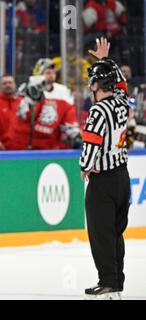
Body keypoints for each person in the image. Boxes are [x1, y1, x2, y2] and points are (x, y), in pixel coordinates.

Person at [80, 38, 131, 300]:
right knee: (115, 233)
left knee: (101, 235)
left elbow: (92, 143)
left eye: (93, 79)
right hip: (122, 177)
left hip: (103, 181)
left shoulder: (98, 110)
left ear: (97, 84)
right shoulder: (122, 104)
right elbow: (121, 85)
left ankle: (108, 283)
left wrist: (85, 166)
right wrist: (105, 61)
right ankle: (116, 282)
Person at [6, 75, 82, 150]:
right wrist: (30, 101)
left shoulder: (63, 100)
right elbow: (22, 115)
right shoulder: (25, 94)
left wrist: (76, 137)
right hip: (20, 148)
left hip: (48, 151)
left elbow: (71, 127)